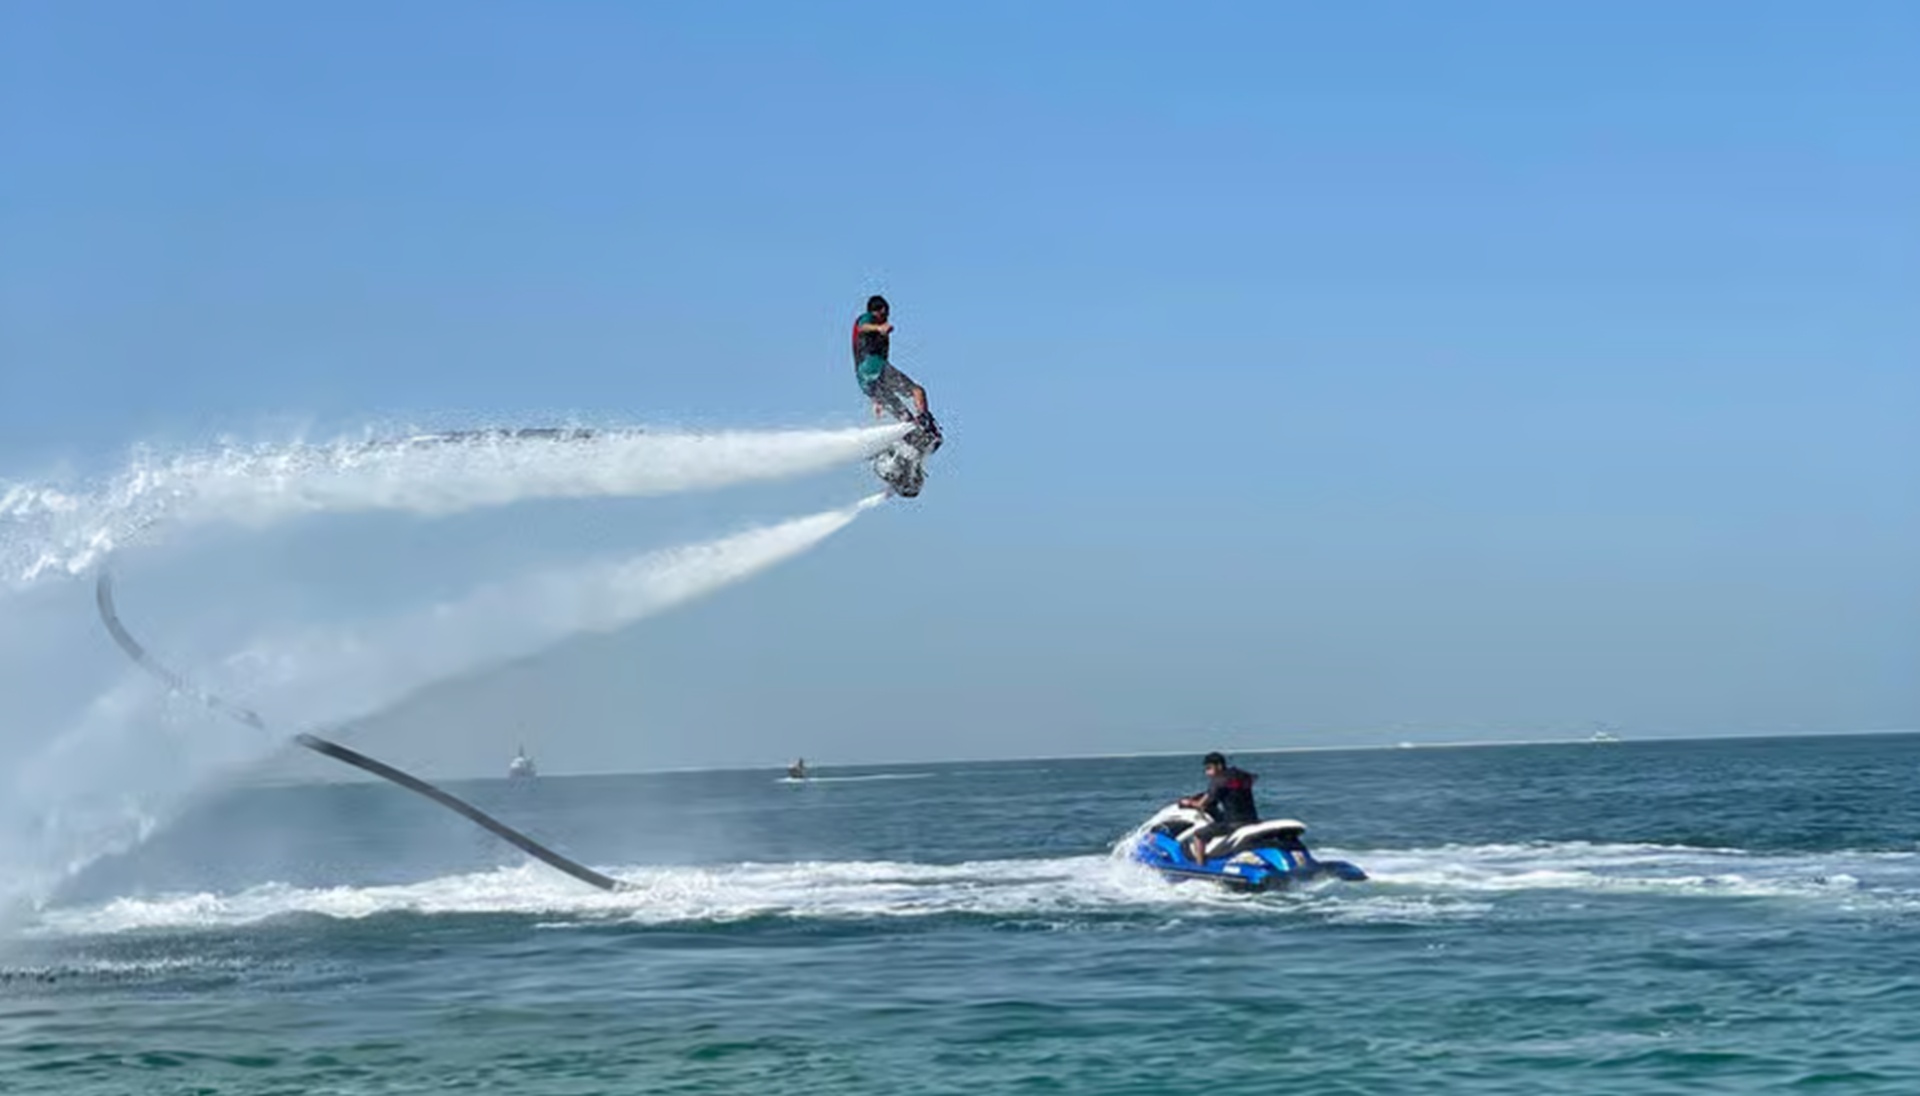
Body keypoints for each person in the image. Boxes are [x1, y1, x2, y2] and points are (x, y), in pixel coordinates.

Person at [852, 295, 929, 423]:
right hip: (874, 367)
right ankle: (924, 419)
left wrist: (876, 400)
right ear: (881, 311)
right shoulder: (868, 318)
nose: (887, 318)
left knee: (903, 414)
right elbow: (862, 326)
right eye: (886, 314)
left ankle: (913, 429)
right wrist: (879, 327)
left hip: (864, 381)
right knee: (917, 391)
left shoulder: (878, 336)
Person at [1177, 751, 1260, 865]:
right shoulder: (1241, 775)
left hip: (1233, 823)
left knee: (1198, 835)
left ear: (1219, 766)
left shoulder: (1218, 780)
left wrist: (1188, 802)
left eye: (1209, 768)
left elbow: (1202, 804)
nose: (1207, 773)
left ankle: (1200, 866)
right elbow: (1254, 778)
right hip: (1252, 820)